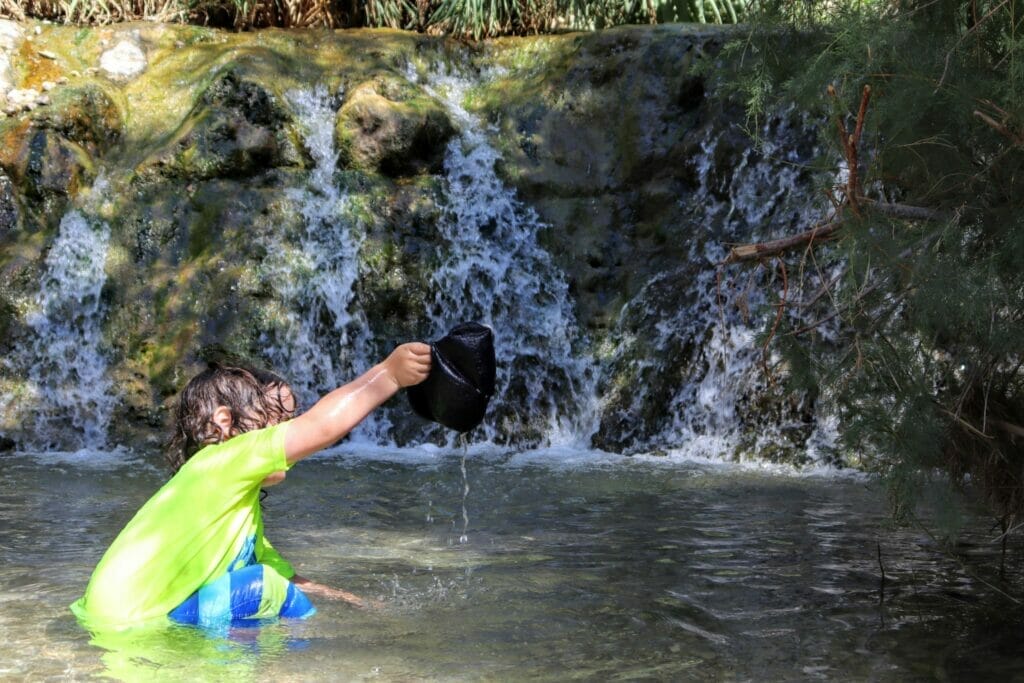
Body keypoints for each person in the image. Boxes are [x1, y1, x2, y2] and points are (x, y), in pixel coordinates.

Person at [70, 342, 431, 630]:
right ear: (225, 424)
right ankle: (298, 667)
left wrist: (356, 602)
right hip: (134, 623)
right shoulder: (224, 458)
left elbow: (290, 579)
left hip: (110, 624)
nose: (287, 437)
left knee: (266, 584)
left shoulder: (231, 513)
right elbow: (321, 427)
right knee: (265, 589)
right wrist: (388, 375)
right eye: (279, 425)